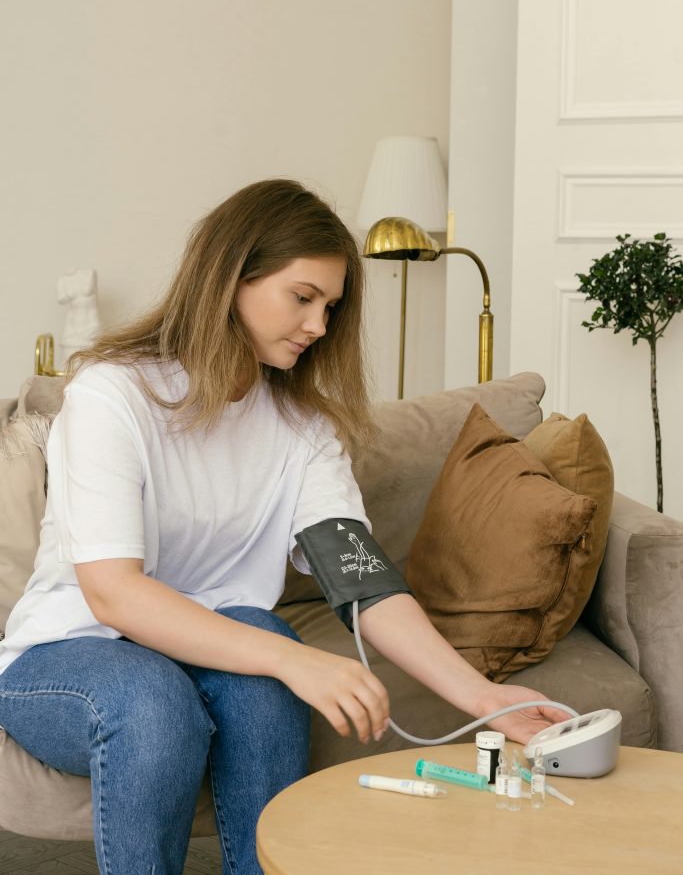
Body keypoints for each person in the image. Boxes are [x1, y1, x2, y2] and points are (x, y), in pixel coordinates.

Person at [0, 179, 566, 875]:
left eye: (330, 306)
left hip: (205, 651)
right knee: (164, 697)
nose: (319, 326)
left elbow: (363, 586)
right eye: (302, 297)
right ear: (229, 278)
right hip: (67, 657)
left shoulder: (303, 431)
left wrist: (481, 699)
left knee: (263, 657)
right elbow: (114, 594)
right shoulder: (112, 395)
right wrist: (296, 659)